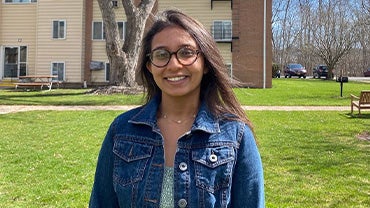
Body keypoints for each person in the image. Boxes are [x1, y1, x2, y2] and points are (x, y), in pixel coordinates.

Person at [89, 9, 264, 208]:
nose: (173, 65)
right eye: (161, 54)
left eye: (186, 52)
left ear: (205, 63)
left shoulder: (236, 135)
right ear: (150, 66)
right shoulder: (121, 131)